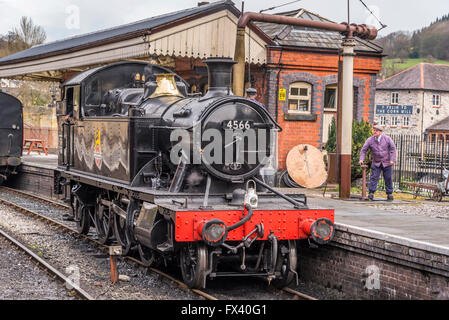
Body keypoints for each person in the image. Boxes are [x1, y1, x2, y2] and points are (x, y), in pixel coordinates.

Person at [359, 123, 397, 201]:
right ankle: (371, 193)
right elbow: (364, 150)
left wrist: (392, 160)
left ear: (380, 132)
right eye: (374, 130)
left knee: (388, 178)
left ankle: (389, 194)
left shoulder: (387, 138)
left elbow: (393, 149)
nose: (374, 132)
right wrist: (361, 159)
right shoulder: (370, 140)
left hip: (387, 162)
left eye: (376, 131)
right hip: (376, 162)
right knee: (374, 178)